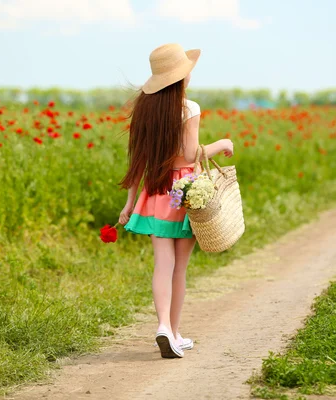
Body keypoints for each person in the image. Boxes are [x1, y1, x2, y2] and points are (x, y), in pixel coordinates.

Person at [118, 43, 234, 359]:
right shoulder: (189, 108)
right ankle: (175, 331)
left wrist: (129, 204)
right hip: (183, 193)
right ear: (181, 76)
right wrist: (222, 142)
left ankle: (165, 328)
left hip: (155, 193)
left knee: (162, 265)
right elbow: (188, 155)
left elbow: (138, 161)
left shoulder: (144, 109)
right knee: (179, 268)